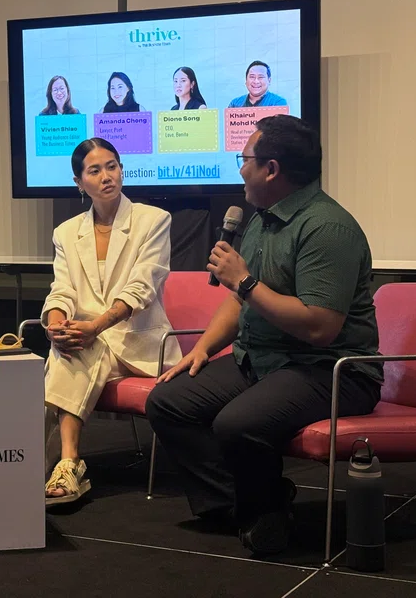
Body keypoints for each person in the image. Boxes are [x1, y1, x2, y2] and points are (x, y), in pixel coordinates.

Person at [145, 115, 381, 556]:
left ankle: (263, 512)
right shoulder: (262, 219)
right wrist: (202, 349)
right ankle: (249, 505)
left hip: (331, 370)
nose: (239, 169)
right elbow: (238, 302)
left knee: (238, 423)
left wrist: (246, 282)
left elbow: (320, 327)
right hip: (263, 358)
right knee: (168, 402)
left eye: (245, 159)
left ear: (271, 169)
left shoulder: (328, 229)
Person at [42, 138, 180, 505]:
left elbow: (142, 286)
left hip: (139, 343)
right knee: (71, 348)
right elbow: (62, 289)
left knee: (79, 349)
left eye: (113, 166)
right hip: (91, 341)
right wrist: (57, 325)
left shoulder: (153, 220)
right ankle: (64, 464)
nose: (107, 176)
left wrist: (95, 326)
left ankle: (51, 464)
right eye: (95, 170)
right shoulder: (66, 232)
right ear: (78, 182)